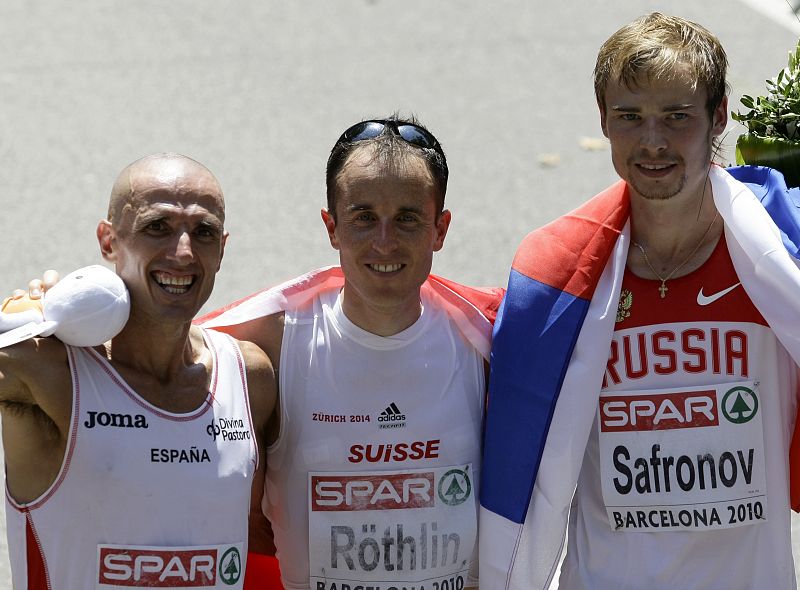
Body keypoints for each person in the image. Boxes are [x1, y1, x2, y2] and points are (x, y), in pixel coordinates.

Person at [480, 13, 800, 590]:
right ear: (603, 121)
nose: (652, 141)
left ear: (719, 116)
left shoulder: (781, 261)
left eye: (677, 117)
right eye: (631, 118)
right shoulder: (558, 279)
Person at [200, 117, 503, 590]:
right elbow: (143, 364)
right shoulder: (274, 348)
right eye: (363, 217)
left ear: (440, 229)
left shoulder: (486, 343)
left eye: (407, 217)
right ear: (332, 227)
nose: (385, 242)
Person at [0, 153, 276, 588]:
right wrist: (13, 320)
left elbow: (271, 535)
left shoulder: (249, 376)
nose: (183, 252)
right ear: (108, 241)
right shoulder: (45, 371)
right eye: (157, 227)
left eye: (203, 232)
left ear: (222, 249)